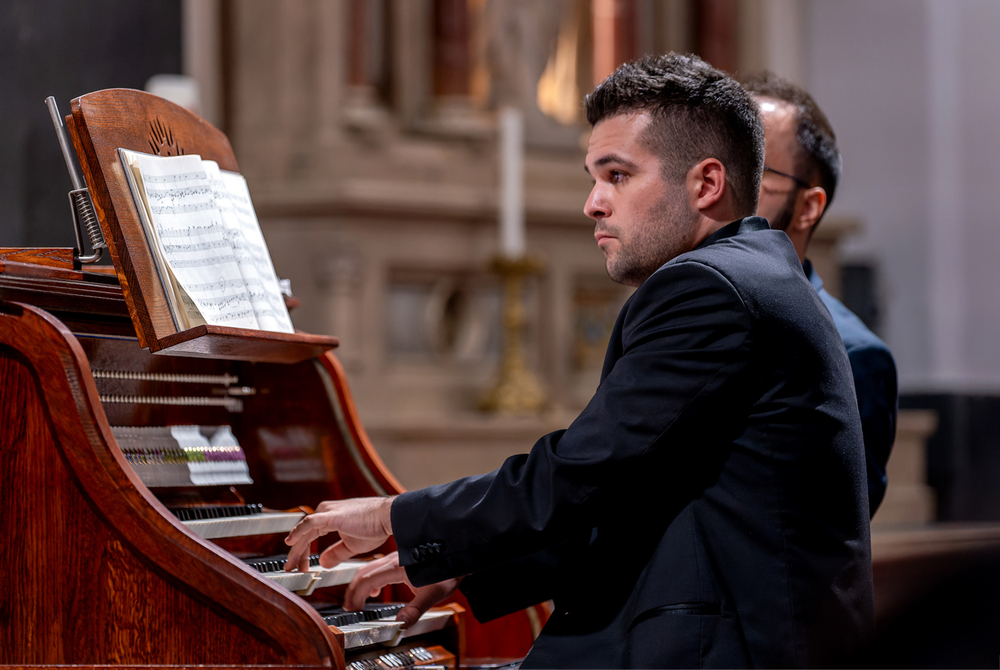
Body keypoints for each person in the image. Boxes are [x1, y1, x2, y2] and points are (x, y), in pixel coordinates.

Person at [285, 54, 874, 668]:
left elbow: (578, 474)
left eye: (617, 175)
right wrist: (461, 567)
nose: (592, 203)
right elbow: (633, 494)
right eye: (593, 177)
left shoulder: (711, 288)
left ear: (705, 184)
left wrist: (390, 516)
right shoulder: (756, 274)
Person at [742, 71, 898, 516]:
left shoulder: (851, 355)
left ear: (809, 206)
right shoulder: (674, 314)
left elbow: (828, 536)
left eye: (753, 170)